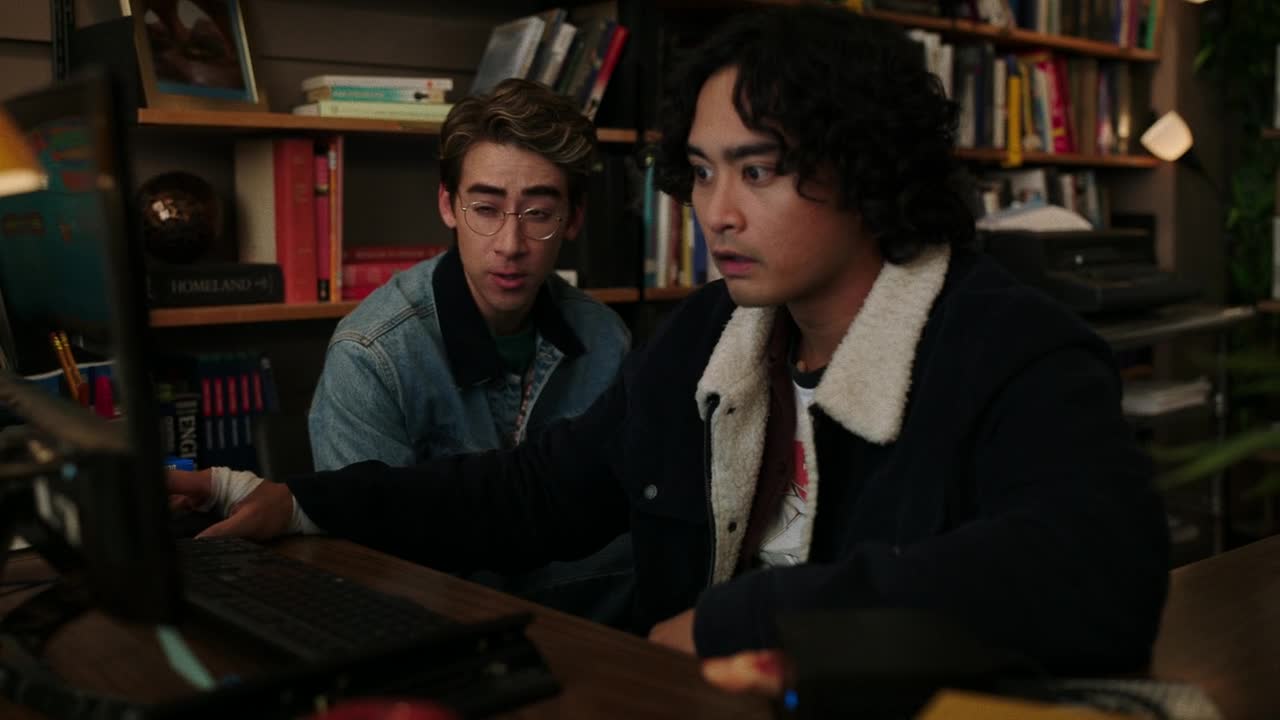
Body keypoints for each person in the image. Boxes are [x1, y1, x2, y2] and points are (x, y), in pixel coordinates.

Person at [169, 6, 1169, 670]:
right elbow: (533, 492)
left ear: (867, 167)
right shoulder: (712, 334)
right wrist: (300, 499)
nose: (715, 212)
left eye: (757, 170)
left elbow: (1096, 577)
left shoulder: (1009, 348)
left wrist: (741, 622)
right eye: (700, 171)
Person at [305, 78, 634, 625]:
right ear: (448, 205)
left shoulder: (605, 338)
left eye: (538, 213)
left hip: (591, 634)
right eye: (485, 208)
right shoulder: (370, 355)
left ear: (574, 218)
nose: (509, 244)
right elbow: (370, 565)